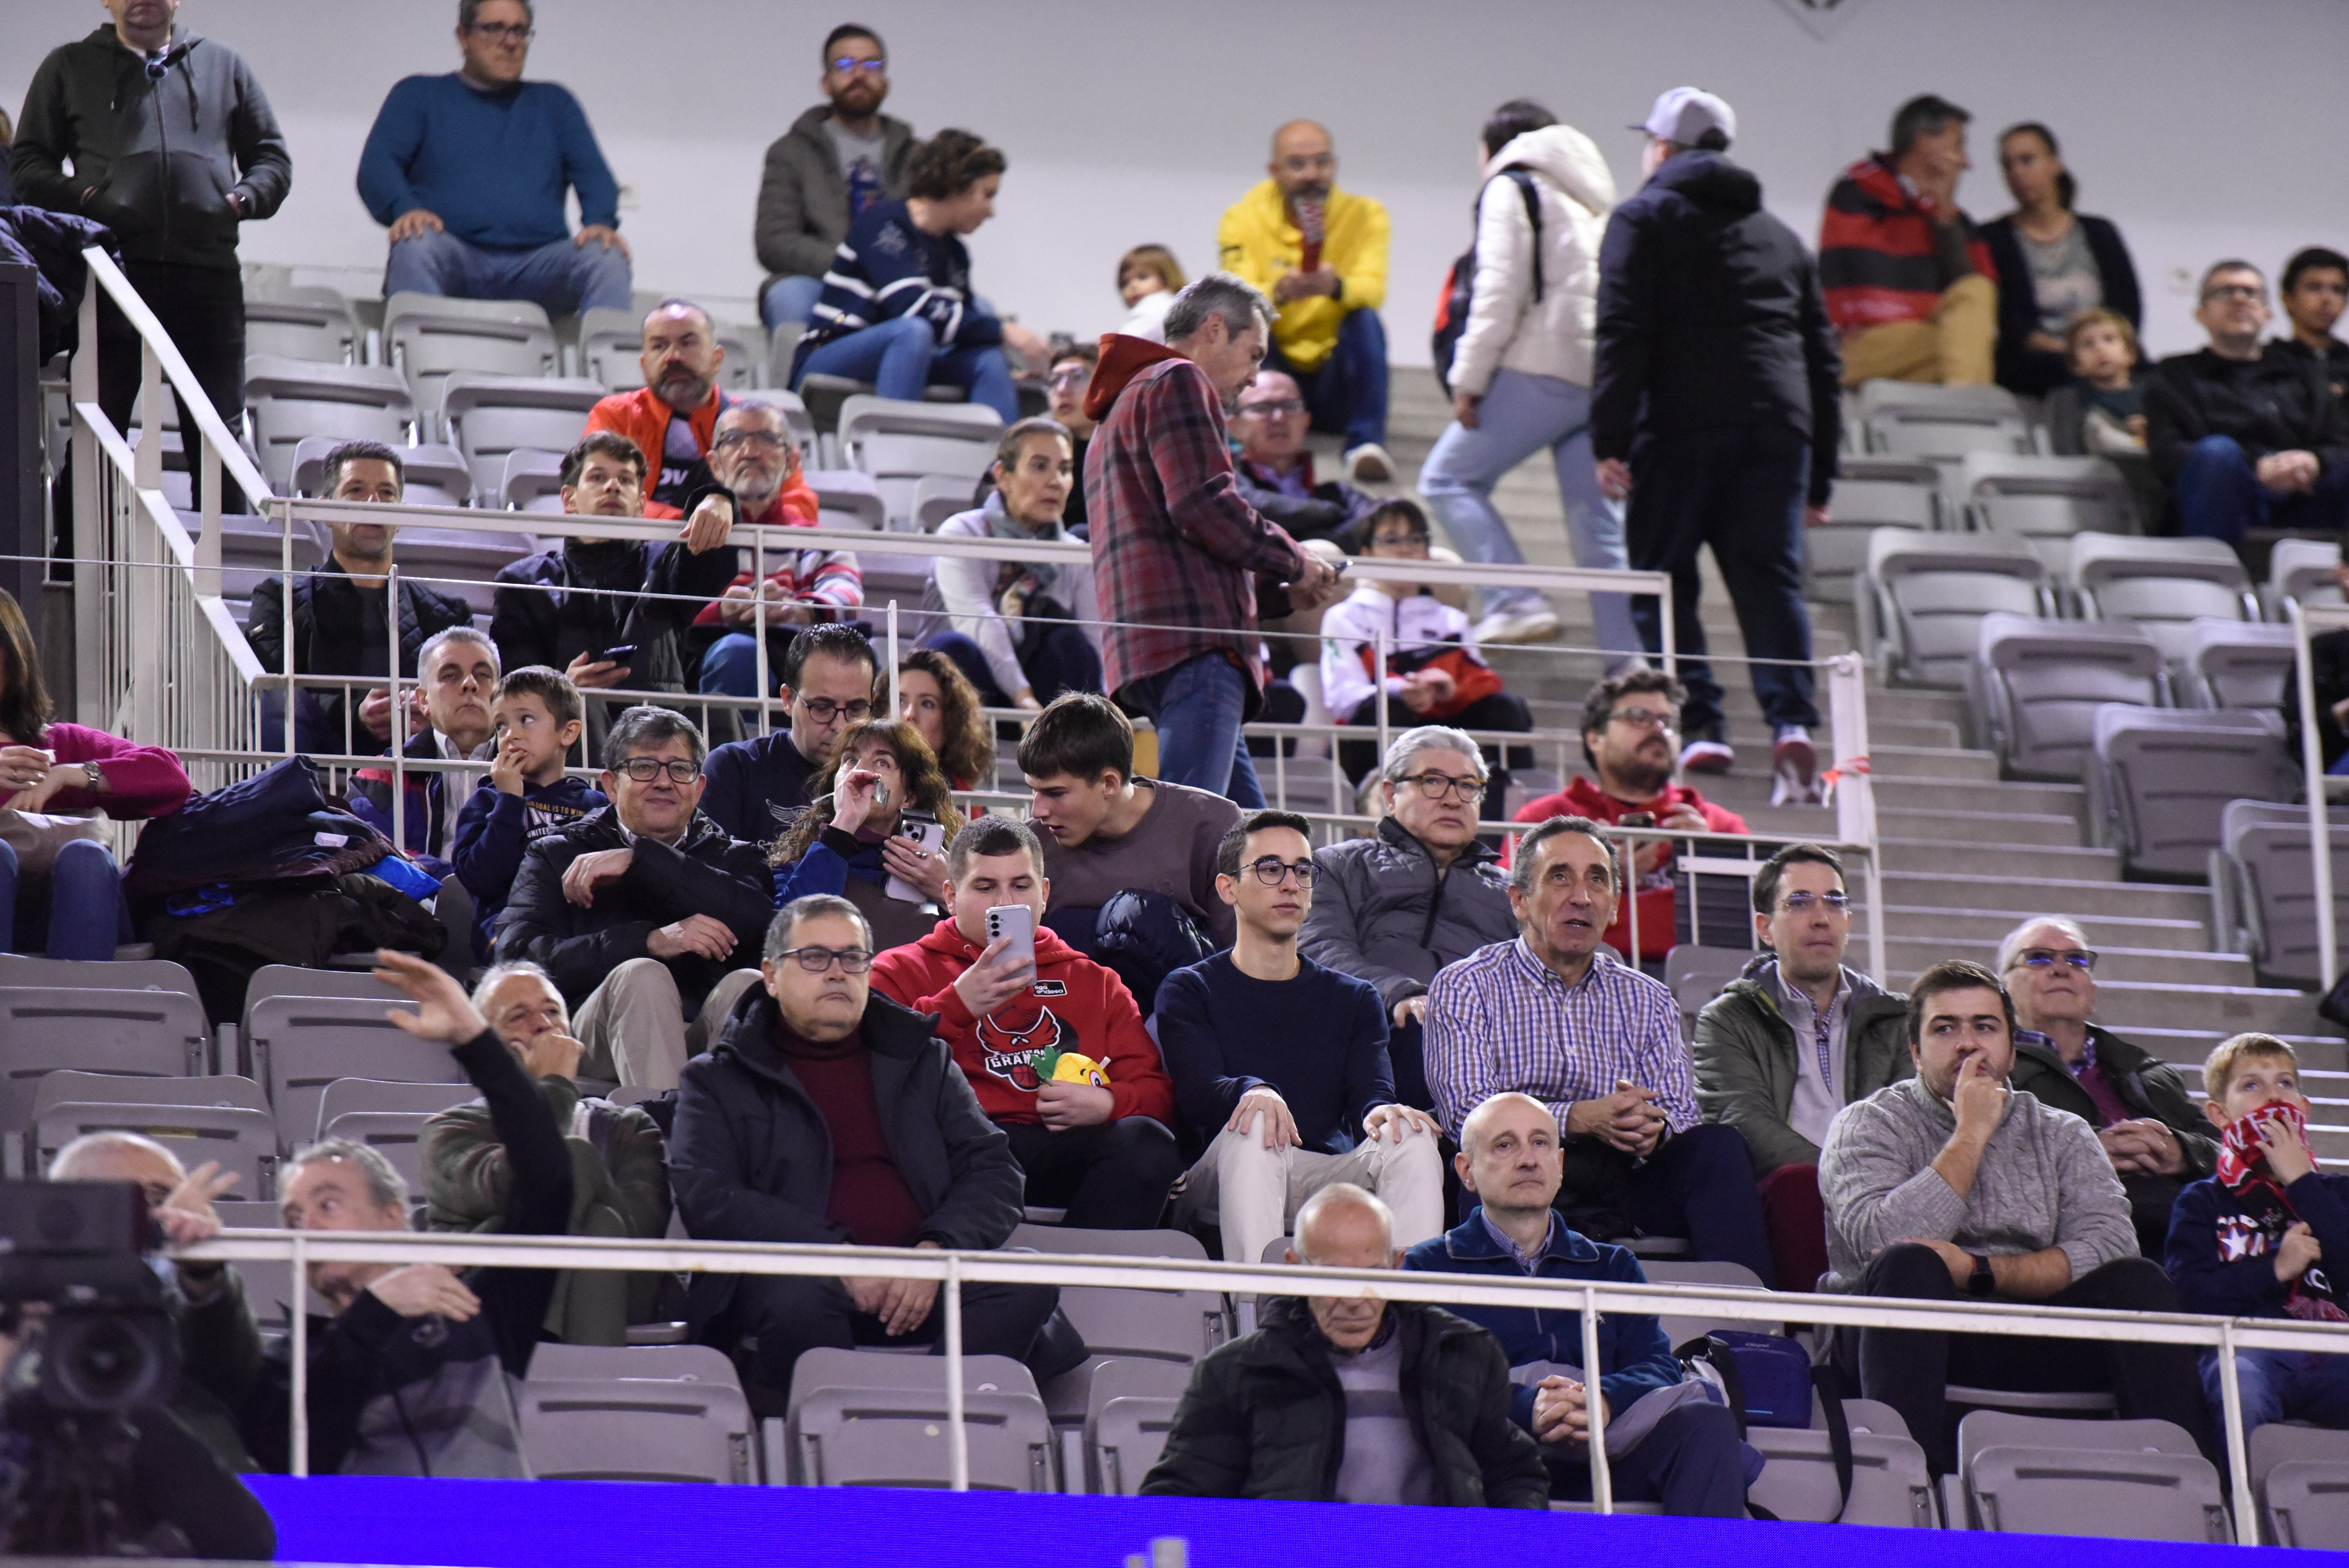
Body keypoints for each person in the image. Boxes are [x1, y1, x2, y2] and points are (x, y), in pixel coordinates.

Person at [668, 894, 1079, 1407]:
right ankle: (840, 1438)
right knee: (796, 1297)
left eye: (853, 958)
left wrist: (935, 1254)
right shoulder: (717, 1078)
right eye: (816, 958)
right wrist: (835, 1256)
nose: (838, 973)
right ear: (771, 976)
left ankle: (928, 1420)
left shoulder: (921, 1059)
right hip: (800, 1281)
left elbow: (995, 1171)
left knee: (1027, 1278)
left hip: (923, 1280)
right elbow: (709, 1198)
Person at [180, 950, 574, 1477]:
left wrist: (477, 1043)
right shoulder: (288, 1367)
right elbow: (298, 1454)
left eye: (328, 1204)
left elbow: (549, 1181)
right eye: (295, 1219)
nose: (309, 1227)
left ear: (393, 1217)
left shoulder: (479, 1316)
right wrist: (375, 1315)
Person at [1819, 959, 2212, 1475]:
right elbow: (1889, 1240)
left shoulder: (2062, 1132)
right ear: (1915, 1051)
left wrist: (1977, 1270)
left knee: (2139, 1283)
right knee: (1910, 1266)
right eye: (1945, 1028)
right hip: (1899, 1339)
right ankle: (1908, 1494)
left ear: (2011, 1046)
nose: (1968, 1044)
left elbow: (2111, 1246)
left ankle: (2190, 1487)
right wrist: (1970, 1134)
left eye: (1985, 1027)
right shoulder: (1867, 1124)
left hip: (2031, 1331)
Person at [1594, 89, 1839, 795]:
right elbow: (1824, 360)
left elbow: (1622, 330)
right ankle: (1791, 722)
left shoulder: (1641, 218)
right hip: (1778, 428)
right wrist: (1819, 476)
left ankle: (1700, 727)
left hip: (1677, 424)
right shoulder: (1781, 237)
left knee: (1664, 581)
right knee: (1770, 579)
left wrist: (1610, 435)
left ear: (1663, 151)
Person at [1426, 815, 1775, 1281]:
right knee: (1492, 1156)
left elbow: (1681, 1113)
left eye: (1597, 880)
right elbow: (1467, 1113)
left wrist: (1651, 1127)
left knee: (1718, 1148)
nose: (1581, 896)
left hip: (1624, 1178)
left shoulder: (1646, 996)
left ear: (1613, 908)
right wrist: (1578, 1116)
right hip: (1523, 1164)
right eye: (1559, 877)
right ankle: (1504, 1334)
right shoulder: (1467, 984)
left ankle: (1750, 1332)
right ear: (1519, 902)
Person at [1404, 1093, 1750, 1515]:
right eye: (1504, 1145)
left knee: (1706, 1424)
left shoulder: (1612, 1264)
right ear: (1466, 1171)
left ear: (1561, 1165)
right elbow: (1427, 1376)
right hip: (1492, 1457)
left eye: (1540, 1143)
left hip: (1604, 1449)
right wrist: (1525, 1404)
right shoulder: (1429, 1264)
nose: (1528, 1159)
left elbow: (1657, 1365)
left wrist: (1600, 1400)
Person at [12, 0, 289, 504]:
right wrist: (89, 200)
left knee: (218, 433)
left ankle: (224, 571)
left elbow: (270, 158)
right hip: (111, 275)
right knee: (101, 424)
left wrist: (239, 200)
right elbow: (28, 166)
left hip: (209, 278)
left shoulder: (224, 65)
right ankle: (77, 571)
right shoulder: (69, 66)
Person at [1084, 273, 1343, 804]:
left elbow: (1181, 538)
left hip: (1155, 645)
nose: (1253, 378)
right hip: (1197, 646)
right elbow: (1205, 506)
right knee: (1194, 836)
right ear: (1215, 328)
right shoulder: (1180, 379)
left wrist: (1276, 589)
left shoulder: (1117, 410)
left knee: (1250, 846)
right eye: (1253, 355)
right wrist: (1296, 562)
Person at [1141, 1183, 1548, 1506]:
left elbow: (1513, 1474)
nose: (1354, 1299)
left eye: (1371, 1274)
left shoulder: (1463, 1353)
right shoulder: (1234, 1372)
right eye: (1333, 1276)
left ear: (1397, 1266)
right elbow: (1175, 1500)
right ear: (1295, 1269)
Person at [1156, 811, 1444, 1266]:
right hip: (1220, 1166)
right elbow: (1198, 1094)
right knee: (1255, 1124)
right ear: (1228, 887)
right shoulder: (1190, 987)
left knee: (1407, 1134)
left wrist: (1384, 1111)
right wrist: (1253, 1089)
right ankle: (1261, 1313)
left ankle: (1412, 1309)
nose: (1290, 883)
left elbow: (1371, 1097)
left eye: (1303, 870)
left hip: (1320, 1168)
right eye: (1270, 869)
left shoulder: (1354, 997)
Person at [870, 816, 1184, 1229]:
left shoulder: (1097, 981)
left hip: (1062, 1150)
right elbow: (867, 1068)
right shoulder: (897, 969)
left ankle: (1078, 1283)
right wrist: (956, 1006)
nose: (1005, 903)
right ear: (950, 895)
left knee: (1149, 1144)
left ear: (1044, 894)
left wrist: (1109, 1103)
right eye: (985, 887)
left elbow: (1156, 1094)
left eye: (1021, 886)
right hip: (956, 1148)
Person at [1424, 99, 1637, 656]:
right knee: (1600, 532)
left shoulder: (1511, 187)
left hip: (1540, 368)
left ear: (1495, 146)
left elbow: (1499, 291)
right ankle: (1631, 672)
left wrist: (1468, 380)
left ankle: (1514, 599)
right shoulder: (1591, 197)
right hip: (1596, 380)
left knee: (1447, 480)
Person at [495, 706, 772, 1091]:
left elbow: (764, 928)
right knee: (642, 974)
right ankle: (671, 1140)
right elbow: (518, 961)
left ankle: (737, 1139)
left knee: (750, 983)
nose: (664, 782)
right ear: (610, 785)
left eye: (679, 769)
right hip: (593, 1034)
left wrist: (641, 860)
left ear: (699, 787)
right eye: (644, 767)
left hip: (700, 1034)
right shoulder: (556, 853)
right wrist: (649, 941)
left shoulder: (736, 857)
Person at [32, 1136, 275, 1556]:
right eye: (131, 1201)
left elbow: (228, 1367)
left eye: (165, 1198)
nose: (160, 1216)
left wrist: (202, 1275)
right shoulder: (22, 1307)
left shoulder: (186, 1304)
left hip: (196, 1528)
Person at [1693, 844, 1911, 1292]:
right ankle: (1815, 1342)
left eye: (1834, 901)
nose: (1820, 917)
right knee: (1798, 1185)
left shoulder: (1900, 1019)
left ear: (1848, 921)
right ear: (1764, 928)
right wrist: (1839, 1184)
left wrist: (1867, 1191)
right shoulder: (1728, 1018)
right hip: (1788, 1190)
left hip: (1883, 1193)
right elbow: (1743, 1123)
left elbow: (1913, 1119)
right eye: (1798, 902)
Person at [421, 960, 669, 1345]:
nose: (543, 1024)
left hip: (589, 1298)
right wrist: (552, 1087)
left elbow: (638, 1253)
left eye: (553, 1011)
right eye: (519, 1016)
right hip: (477, 1302)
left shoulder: (629, 1130)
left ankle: (523, 1343)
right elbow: (527, 1173)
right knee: (590, 1195)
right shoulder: (450, 1130)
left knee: (592, 1195)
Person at [356, 0, 629, 316]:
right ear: (464, 37)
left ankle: (606, 365)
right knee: (415, 246)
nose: (511, 42)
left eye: (519, 30)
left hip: (539, 267)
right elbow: (376, 168)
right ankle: (424, 363)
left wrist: (599, 221)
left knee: (605, 257)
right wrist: (404, 208)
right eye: (494, 28)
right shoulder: (418, 95)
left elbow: (596, 177)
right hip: (452, 258)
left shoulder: (556, 104)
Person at [1302, 726, 1518, 1112]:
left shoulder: (1513, 894)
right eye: (1433, 781)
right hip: (1375, 1033)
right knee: (1421, 1028)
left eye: (1468, 785)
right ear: (1390, 794)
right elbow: (1319, 948)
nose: (1453, 799)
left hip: (1489, 1047)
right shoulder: (1337, 865)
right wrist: (1398, 992)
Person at [787, 128, 1046, 422]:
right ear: (957, 187)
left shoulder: (955, 253)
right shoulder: (883, 224)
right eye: (987, 195)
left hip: (913, 355)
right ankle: (893, 452)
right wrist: (1005, 332)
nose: (991, 211)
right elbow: (912, 307)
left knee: (988, 360)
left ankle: (1005, 464)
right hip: (831, 354)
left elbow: (967, 326)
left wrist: (1011, 368)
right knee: (914, 331)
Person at [2167, 1033, 2349, 1439]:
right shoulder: (2201, 1201)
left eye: (2285, 1083)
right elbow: (2188, 1297)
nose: (2274, 1097)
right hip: (2248, 1348)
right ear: (2219, 1114)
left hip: (2338, 1349)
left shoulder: (2337, 1193)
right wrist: (2275, 1268)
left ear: (2303, 1106)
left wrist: (2301, 1180)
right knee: (2240, 1384)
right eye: (2251, 1085)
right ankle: (2243, 1500)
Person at [1999, 916, 2216, 1256]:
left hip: (2178, 1232)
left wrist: (2182, 1152)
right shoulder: (1991, 1072)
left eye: (2077, 960)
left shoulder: (2147, 1073)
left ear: (2093, 991)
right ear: (2004, 990)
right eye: (2039, 957)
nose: (2061, 969)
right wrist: (2087, 1151)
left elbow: (2226, 1151)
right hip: (2062, 1239)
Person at [246, 441, 472, 755]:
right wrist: (352, 712)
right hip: (318, 761)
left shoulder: (448, 615)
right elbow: (275, 697)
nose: (373, 503)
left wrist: (432, 712)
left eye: (386, 493)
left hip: (418, 770)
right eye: (356, 490)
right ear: (325, 510)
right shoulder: (278, 597)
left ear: (401, 514)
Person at [1510, 670, 1748, 967]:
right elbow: (1511, 906)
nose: (1659, 729)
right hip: (1571, 973)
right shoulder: (1546, 819)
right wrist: (1602, 878)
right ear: (1595, 738)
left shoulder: (1719, 826)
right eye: (1638, 717)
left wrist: (1710, 858)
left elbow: (1755, 922)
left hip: (1695, 981)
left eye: (1667, 721)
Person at [0, 586, 186, 960]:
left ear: (13, 658)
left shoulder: (62, 744)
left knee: (87, 857)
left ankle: (80, 1012)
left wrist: (69, 775)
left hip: (76, 914)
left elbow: (171, 778)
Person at [490, 432, 741, 699]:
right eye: (598, 477)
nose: (613, 486)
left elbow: (711, 562)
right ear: (569, 499)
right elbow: (513, 688)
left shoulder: (666, 563)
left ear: (641, 504)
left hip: (658, 731)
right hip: (567, 731)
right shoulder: (522, 581)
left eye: (625, 480)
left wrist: (720, 500)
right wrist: (562, 689)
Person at [1216, 121, 1394, 481]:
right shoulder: (1241, 219)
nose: (1313, 175)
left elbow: (1373, 289)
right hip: (1276, 364)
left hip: (1334, 375)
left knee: (1365, 319)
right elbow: (1236, 295)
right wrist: (1279, 291)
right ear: (1275, 171)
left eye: (1322, 162)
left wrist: (1336, 286)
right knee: (1246, 324)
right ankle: (1251, 443)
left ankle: (1365, 444)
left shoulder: (1366, 215)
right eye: (1298, 165)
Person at [1319, 500, 1529, 789]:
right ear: (1367, 554)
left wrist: (1450, 689)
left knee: (1506, 708)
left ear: (1428, 554)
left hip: (1446, 724)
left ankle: (1519, 809)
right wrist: (1401, 690)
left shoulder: (1451, 621)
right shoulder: (1344, 618)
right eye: (1391, 540)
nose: (1405, 550)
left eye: (1415, 540)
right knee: (1389, 709)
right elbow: (1343, 697)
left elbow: (1485, 682)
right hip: (1374, 731)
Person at [2144, 260, 2349, 546]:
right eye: (2225, 292)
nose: (2240, 299)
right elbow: (2168, 453)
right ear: (2201, 314)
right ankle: (2214, 578)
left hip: (2306, 496)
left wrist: (2315, 461)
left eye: (2251, 293)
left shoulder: (2305, 373)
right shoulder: (2174, 374)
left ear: (2267, 314)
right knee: (2218, 452)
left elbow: (2339, 440)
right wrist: (2258, 466)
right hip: (2222, 495)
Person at [1020, 692, 1240, 951]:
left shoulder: (1212, 824)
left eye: (1055, 793)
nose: (1038, 811)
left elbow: (1239, 959)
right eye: (1034, 790)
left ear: (1109, 783)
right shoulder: (1029, 845)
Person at [1818, 94, 1997, 387]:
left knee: (1975, 296)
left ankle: (1963, 412)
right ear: (1925, 142)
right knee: (1966, 348)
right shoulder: (1858, 192)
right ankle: (1970, 420)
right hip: (1861, 348)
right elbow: (1859, 281)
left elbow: (1972, 298)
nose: (1966, 162)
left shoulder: (1953, 219)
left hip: (1923, 348)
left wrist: (1944, 219)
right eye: (1958, 145)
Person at [924, 418, 1101, 710]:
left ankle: (1075, 749)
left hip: (1040, 694)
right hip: (971, 682)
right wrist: (1023, 698)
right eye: (1040, 466)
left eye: (1065, 470)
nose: (1056, 481)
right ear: (1003, 476)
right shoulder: (961, 532)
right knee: (954, 649)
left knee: (1070, 645)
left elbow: (1096, 638)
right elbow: (978, 620)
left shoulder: (1075, 553)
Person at [689, 401, 860, 700]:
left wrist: (799, 610)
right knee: (738, 654)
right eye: (734, 440)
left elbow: (847, 594)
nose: (751, 452)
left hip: (800, 653)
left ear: (792, 461)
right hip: (711, 655)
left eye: (768, 439)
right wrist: (721, 610)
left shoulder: (817, 540)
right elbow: (663, 605)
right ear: (715, 464)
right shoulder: (692, 537)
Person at [755, 23, 916, 330]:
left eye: (871, 65)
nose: (859, 74)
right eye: (845, 65)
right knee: (788, 296)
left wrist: (891, 273)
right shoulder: (790, 152)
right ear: (826, 83)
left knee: (980, 311)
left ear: (885, 82)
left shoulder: (917, 157)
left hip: (899, 285)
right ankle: (804, 377)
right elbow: (774, 242)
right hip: (820, 284)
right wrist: (850, 267)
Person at [767, 718, 963, 952]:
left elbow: (979, 946)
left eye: (882, 762)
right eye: (850, 760)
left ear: (908, 796)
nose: (862, 770)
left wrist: (947, 892)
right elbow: (787, 938)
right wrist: (842, 827)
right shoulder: (802, 859)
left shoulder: (943, 867)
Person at [451, 665, 605, 959]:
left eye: (526, 719)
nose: (510, 735)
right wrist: (509, 800)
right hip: (509, 939)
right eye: (500, 726)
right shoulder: (487, 801)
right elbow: (482, 879)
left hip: (578, 937)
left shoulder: (595, 806)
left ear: (568, 732)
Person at [1979, 123, 2142, 398]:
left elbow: (2127, 306)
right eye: (2008, 166)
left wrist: (2102, 347)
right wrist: (2072, 352)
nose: (2018, 172)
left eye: (2027, 160)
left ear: (2055, 164)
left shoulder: (2099, 232)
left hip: (2104, 352)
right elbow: (2010, 322)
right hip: (2037, 363)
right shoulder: (1994, 238)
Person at [700, 623, 878, 844]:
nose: (841, 726)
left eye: (856, 709)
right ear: (788, 700)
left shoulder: (894, 780)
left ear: (873, 701)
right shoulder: (735, 768)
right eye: (822, 708)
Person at [348, 625, 499, 874]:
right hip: (415, 906)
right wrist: (455, 881)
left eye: (483, 675)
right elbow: (369, 852)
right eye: (451, 675)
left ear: (499, 693)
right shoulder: (381, 776)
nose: (470, 684)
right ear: (423, 700)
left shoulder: (531, 771)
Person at [584, 299, 738, 515]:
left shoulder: (752, 423)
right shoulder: (616, 416)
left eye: (688, 343)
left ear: (717, 359)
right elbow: (590, 498)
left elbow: (796, 503)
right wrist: (688, 525)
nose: (674, 356)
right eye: (659, 346)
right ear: (644, 366)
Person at [1226, 370, 1376, 545]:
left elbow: (1376, 522)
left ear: (1306, 421)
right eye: (1262, 408)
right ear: (1234, 427)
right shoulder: (1223, 479)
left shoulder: (1341, 495)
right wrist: (1329, 515)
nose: (1279, 418)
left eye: (1290, 406)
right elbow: (1245, 507)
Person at [896, 647, 992, 791]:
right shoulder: (860, 785)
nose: (910, 715)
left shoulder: (967, 804)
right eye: (901, 702)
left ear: (951, 720)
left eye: (927, 704)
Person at [2066, 307, 2151, 455]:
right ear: (2076, 365)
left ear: (2130, 354)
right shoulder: (2072, 401)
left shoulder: (2154, 392)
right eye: (2088, 344)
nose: (2100, 349)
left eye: (2109, 339)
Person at [2278, 246, 2349, 403]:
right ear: (2288, 298)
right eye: (2314, 288)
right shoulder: (2270, 366)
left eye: (2337, 290)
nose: (2326, 299)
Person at [1043, 343, 1100, 535]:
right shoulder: (1032, 449)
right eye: (1054, 381)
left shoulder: (1131, 451)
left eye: (1078, 378)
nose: (1062, 390)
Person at [1116, 244, 1185, 343]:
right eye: (1125, 283)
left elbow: (1121, 347)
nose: (1133, 286)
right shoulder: (1183, 310)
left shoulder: (1154, 307)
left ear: (1166, 278)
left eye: (1143, 277)